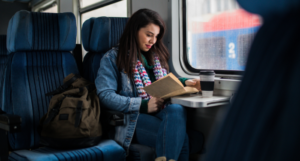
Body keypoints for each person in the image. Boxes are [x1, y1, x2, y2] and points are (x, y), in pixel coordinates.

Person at [95, 8, 201, 161]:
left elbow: (164, 82)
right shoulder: (112, 58)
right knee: (181, 139)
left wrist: (185, 82)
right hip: (130, 118)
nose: (153, 41)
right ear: (134, 31)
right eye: (149, 35)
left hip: (158, 112)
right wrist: (142, 105)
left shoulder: (156, 56)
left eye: (156, 36)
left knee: (177, 109)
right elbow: (105, 95)